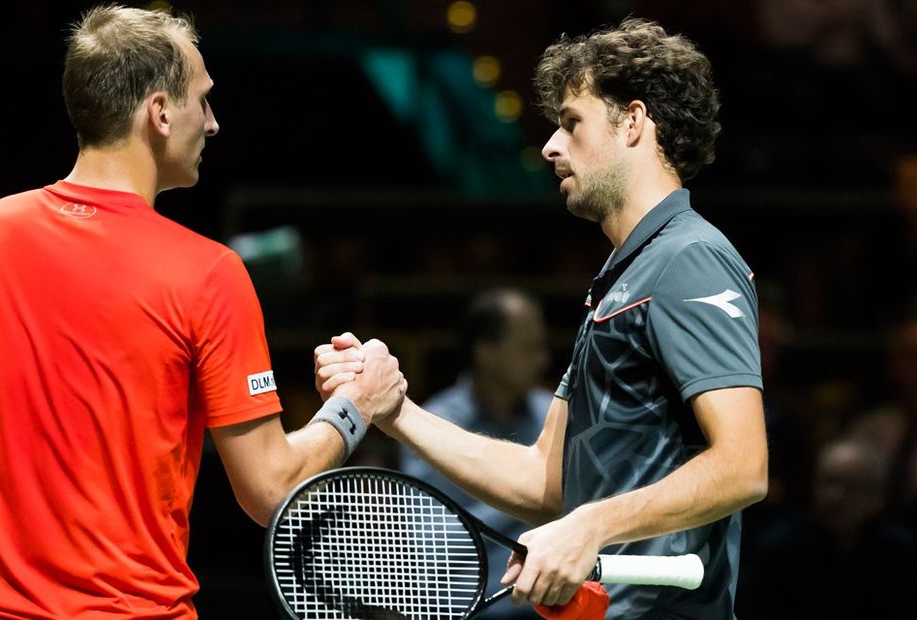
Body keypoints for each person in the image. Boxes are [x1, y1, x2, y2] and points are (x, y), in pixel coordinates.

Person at [0, 6, 405, 619]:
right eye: (202, 102)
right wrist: (355, 408)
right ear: (158, 113)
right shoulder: (209, 274)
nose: (213, 123)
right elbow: (269, 489)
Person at [316, 18, 767, 619]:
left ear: (633, 123)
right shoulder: (618, 279)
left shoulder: (689, 259)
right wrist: (394, 410)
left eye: (572, 122)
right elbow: (545, 483)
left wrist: (590, 526)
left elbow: (743, 465)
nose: (551, 145)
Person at [399, 288, 553, 620]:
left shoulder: (553, 416)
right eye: (528, 349)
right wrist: (533, 499)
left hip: (544, 611)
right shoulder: (432, 424)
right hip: (464, 610)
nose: (543, 360)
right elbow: (432, 545)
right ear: (486, 353)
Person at [738, 438, 917, 620]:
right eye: (827, 482)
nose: (834, 496)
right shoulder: (779, 547)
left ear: (878, 496)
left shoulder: (898, 552)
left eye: (849, 486)